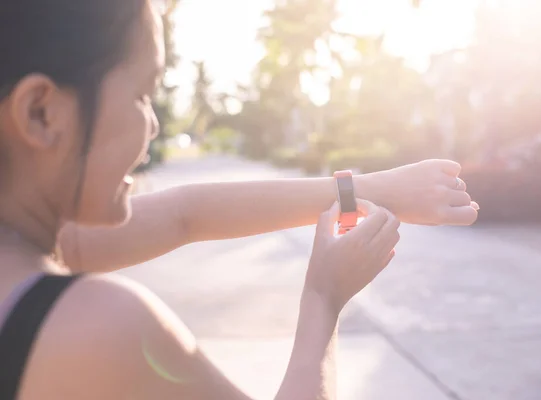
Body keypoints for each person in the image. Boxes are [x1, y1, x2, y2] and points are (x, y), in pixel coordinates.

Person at [0, 1, 479, 399]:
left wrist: (375, 190)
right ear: (40, 113)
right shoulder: (96, 326)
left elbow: (184, 215)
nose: (154, 125)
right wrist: (323, 300)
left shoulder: (34, 260)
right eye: (142, 95)